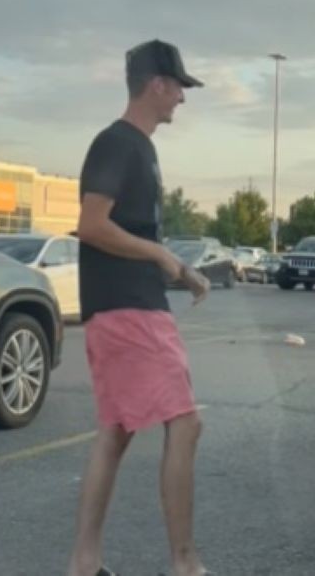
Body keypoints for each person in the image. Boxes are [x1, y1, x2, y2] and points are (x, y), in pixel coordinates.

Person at [67, 40, 211, 576]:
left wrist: (181, 270)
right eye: (179, 87)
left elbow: (130, 232)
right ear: (156, 84)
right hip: (128, 309)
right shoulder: (118, 144)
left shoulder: (139, 148)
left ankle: (84, 563)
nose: (182, 98)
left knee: (116, 430)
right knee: (186, 423)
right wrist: (157, 254)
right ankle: (185, 564)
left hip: (124, 305)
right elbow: (91, 225)